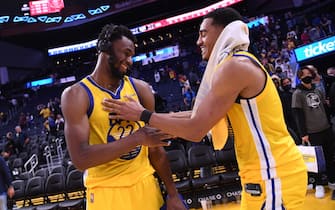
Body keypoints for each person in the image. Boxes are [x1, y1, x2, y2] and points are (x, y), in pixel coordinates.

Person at [102, 8, 307, 210]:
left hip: (273, 174)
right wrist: (149, 118)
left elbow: (196, 129)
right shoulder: (237, 62)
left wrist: (142, 114)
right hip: (263, 174)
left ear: (224, 31)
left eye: (203, 33)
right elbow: (198, 115)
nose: (198, 41)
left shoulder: (234, 67)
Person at [61, 24, 187, 210]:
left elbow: (156, 151)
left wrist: (173, 193)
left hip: (146, 187)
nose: (130, 61)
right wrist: (137, 138)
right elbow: (81, 159)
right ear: (105, 47)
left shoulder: (141, 89)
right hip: (106, 193)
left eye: (132, 55)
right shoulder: (76, 95)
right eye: (126, 53)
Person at [292, 66, 335, 199]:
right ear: (300, 77)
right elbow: (297, 115)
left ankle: (332, 181)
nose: (307, 76)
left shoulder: (317, 89)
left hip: (326, 128)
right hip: (312, 132)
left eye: (309, 74)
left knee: (330, 156)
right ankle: (318, 184)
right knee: (316, 161)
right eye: (304, 74)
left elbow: (324, 107)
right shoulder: (297, 93)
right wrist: (303, 133)